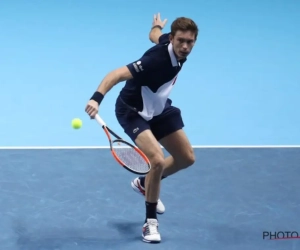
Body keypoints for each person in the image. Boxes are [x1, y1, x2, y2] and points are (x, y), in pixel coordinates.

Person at [85, 13, 198, 243]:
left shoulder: (169, 41)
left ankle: (144, 184)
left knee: (186, 158)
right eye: (181, 42)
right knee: (156, 160)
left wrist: (155, 27)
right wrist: (96, 98)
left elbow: (155, 36)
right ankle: (150, 223)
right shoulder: (156, 60)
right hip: (132, 110)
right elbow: (116, 74)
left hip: (157, 107)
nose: (185, 47)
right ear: (173, 40)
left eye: (190, 42)